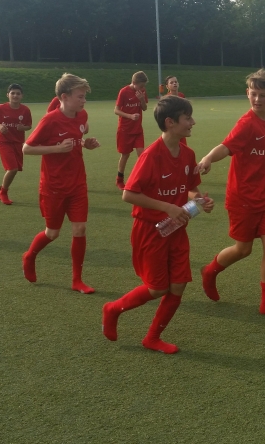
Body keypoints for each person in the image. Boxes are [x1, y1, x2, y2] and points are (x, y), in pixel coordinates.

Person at [101, 96, 215, 353]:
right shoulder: (151, 156)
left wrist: (201, 200)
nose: (193, 122)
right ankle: (112, 309)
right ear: (170, 122)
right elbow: (128, 194)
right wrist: (167, 207)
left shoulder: (188, 154)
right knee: (157, 288)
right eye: (188, 118)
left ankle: (152, 337)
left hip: (177, 229)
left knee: (178, 285)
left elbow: (191, 189)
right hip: (150, 230)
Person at [197, 69, 265, 320]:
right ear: (247, 93)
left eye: (263, 95)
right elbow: (226, 147)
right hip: (243, 196)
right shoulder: (246, 123)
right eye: (253, 94)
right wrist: (208, 158)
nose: (257, 99)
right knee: (243, 249)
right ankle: (210, 271)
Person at [21, 73, 101, 294]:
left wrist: (86, 144)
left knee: (80, 229)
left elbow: (77, 137)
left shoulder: (82, 115)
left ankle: (77, 280)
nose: (84, 101)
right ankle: (30, 256)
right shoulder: (50, 120)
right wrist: (57, 149)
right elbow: (27, 148)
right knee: (52, 233)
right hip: (54, 186)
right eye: (80, 96)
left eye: (84, 96)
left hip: (77, 182)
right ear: (64, 97)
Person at [0, 84, 33, 205]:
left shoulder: (25, 110)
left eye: (18, 93)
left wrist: (23, 127)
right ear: (7, 95)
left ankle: (2, 191)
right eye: (12, 93)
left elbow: (29, 126)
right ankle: (3, 193)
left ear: (22, 96)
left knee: (15, 169)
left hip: (18, 142)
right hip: (3, 141)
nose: (15, 95)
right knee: (12, 168)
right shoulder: (0, 108)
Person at [114, 71, 149, 190]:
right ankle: (119, 179)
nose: (143, 88)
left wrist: (142, 99)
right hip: (125, 130)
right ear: (134, 83)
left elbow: (144, 108)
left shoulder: (142, 91)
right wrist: (130, 116)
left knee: (142, 155)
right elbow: (116, 110)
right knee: (125, 155)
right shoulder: (124, 92)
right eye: (141, 86)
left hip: (137, 129)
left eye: (144, 86)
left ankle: (141, 180)